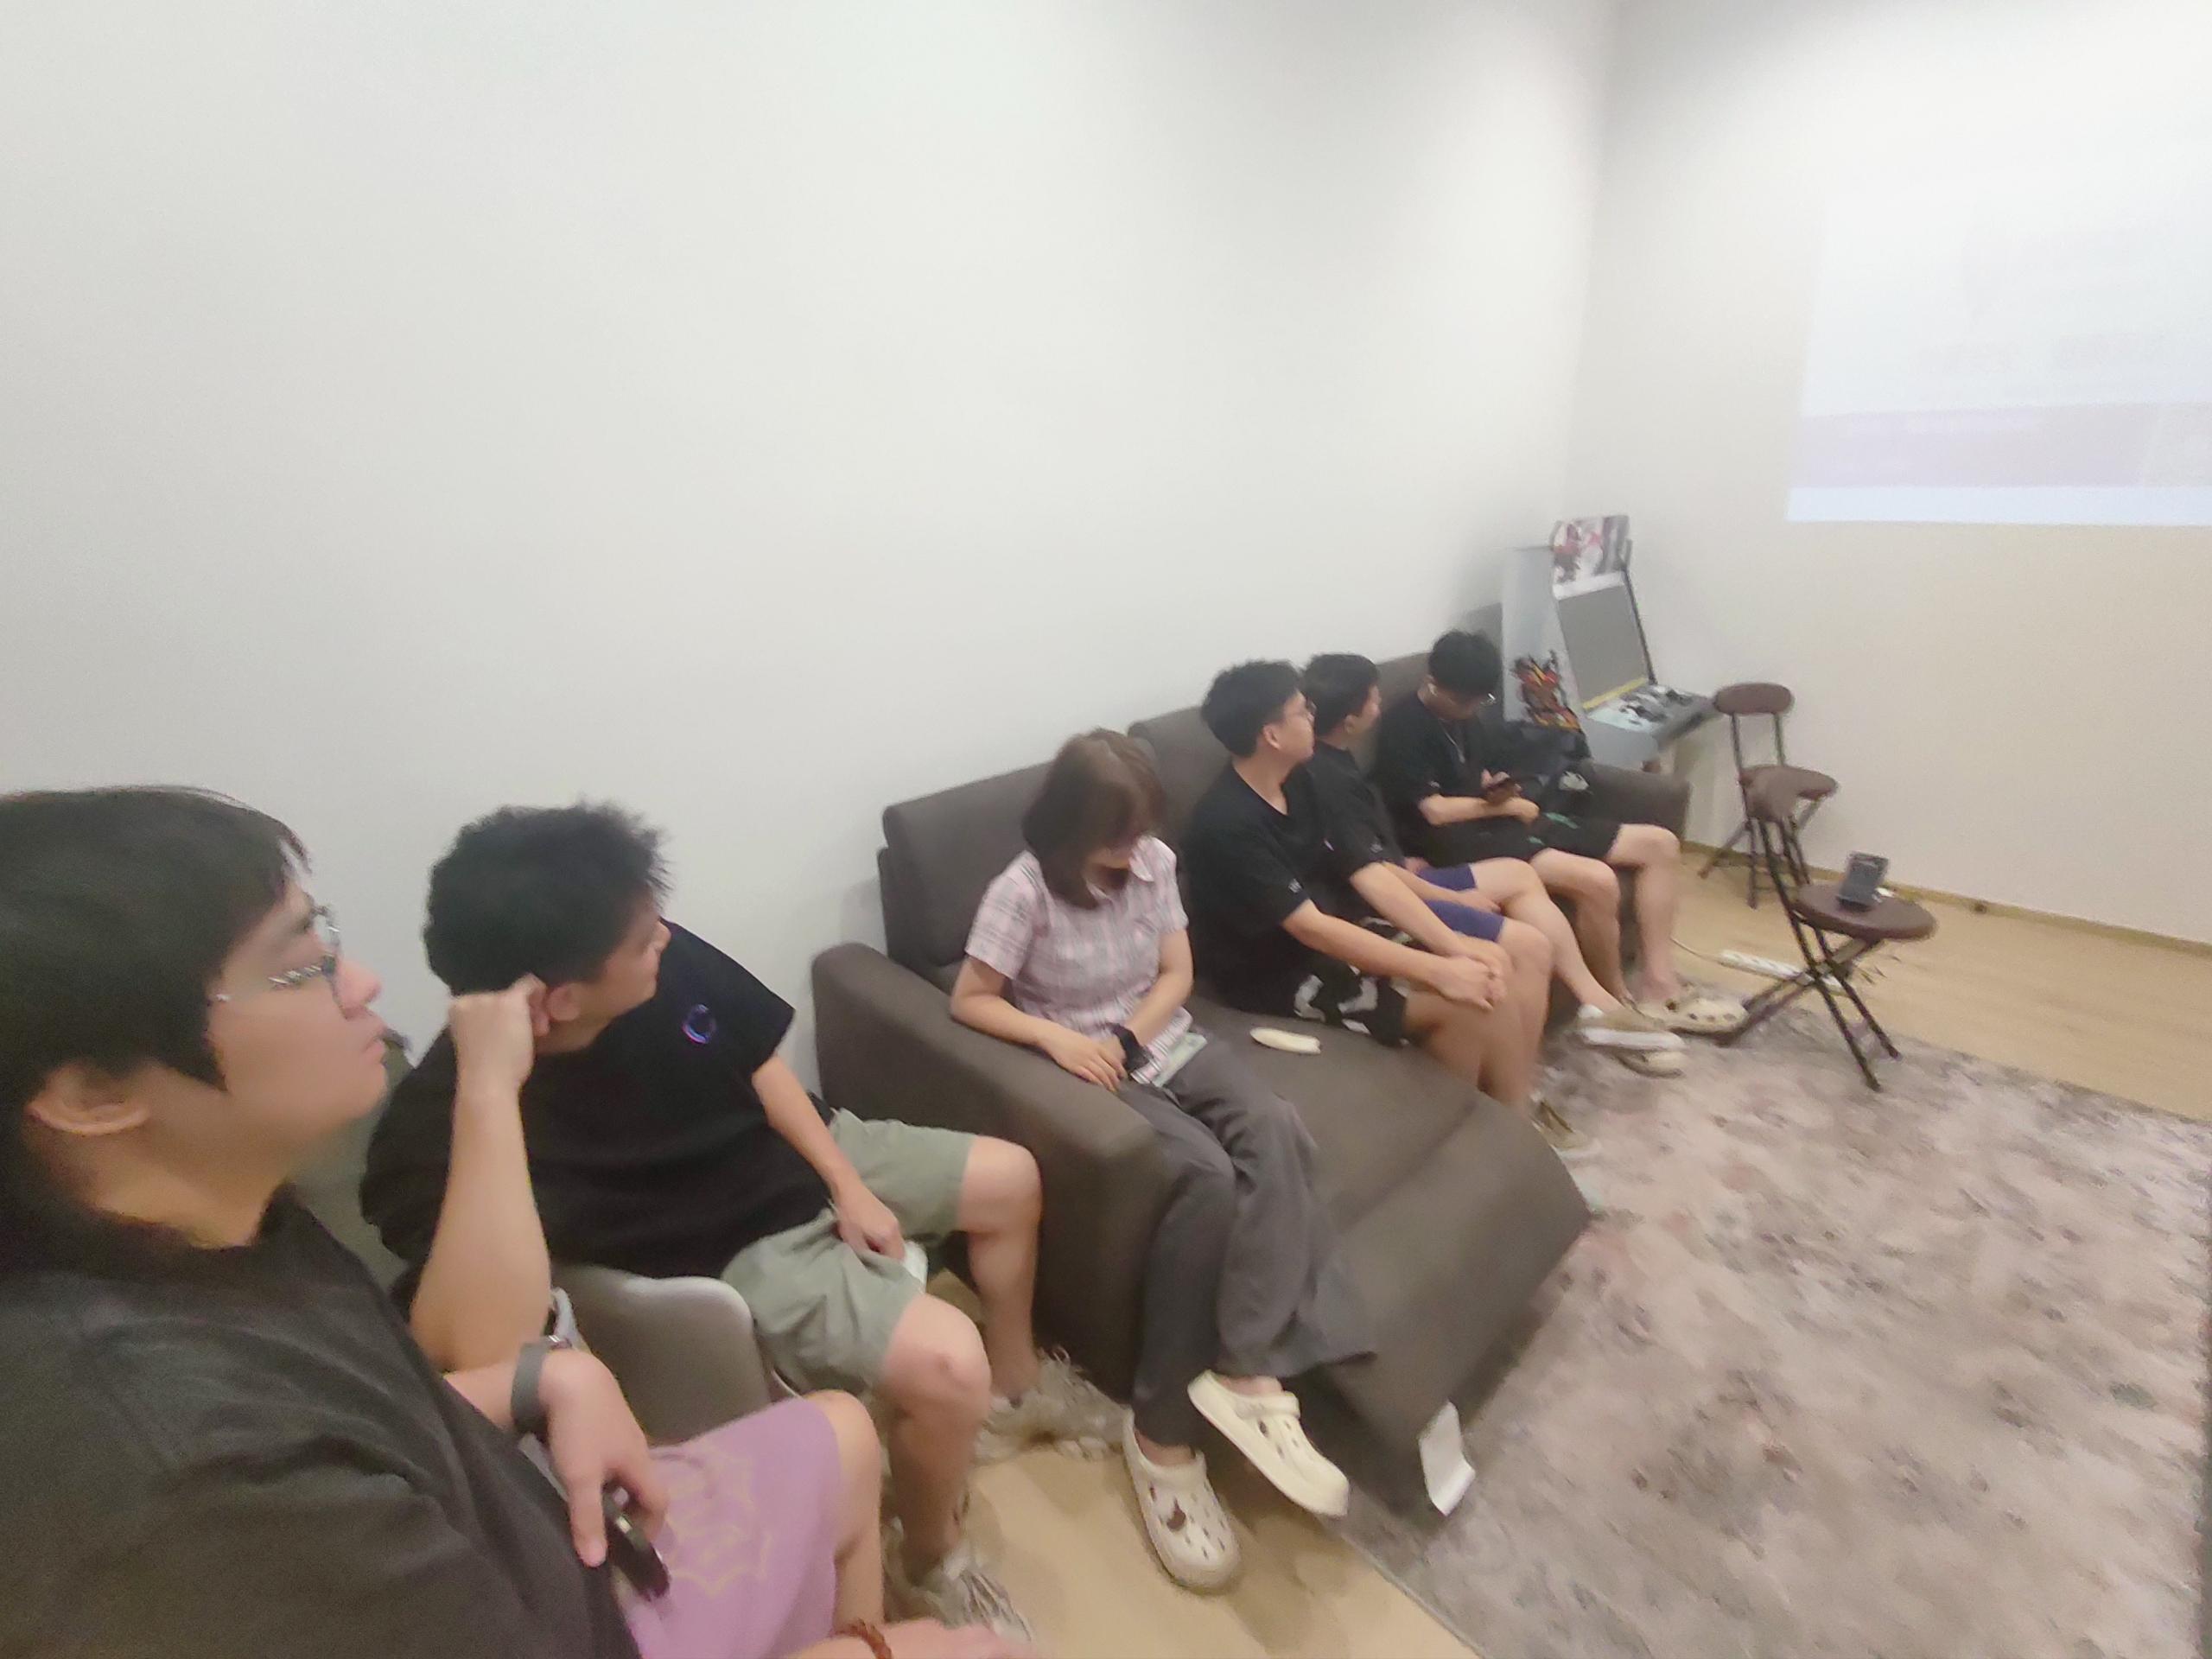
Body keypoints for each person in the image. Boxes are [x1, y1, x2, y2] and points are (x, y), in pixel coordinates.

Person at [0, 785, 1009, 1659]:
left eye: (329, 939)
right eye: (301, 965)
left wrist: (541, 1378)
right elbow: (473, 1343)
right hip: (572, 1613)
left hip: (540, 1522)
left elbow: (424, 1390)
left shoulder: (230, 1234)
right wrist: (874, 1652)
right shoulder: (180, 1481)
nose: (365, 984)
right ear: (91, 1093)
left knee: (845, 1433)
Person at [363, 804, 1111, 1644]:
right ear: (560, 999)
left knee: (1012, 1179)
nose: (665, 938)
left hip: (799, 1152)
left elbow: (755, 1061)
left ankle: (1019, 1388)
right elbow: (480, 1348)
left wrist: (845, 1183)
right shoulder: (446, 1124)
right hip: (726, 1243)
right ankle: (932, 1555)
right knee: (947, 1364)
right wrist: (491, 1092)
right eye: (643, 939)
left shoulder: (659, 953)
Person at [949, 732, 1375, 1591]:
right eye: (1118, 834)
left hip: (1154, 1039)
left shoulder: (1153, 863)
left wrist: (1131, 1033)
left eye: (1142, 828)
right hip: (1084, 1065)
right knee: (1206, 1178)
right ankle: (1161, 1438)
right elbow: (970, 999)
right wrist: (1059, 1040)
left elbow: (1177, 970)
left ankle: (1246, 1374)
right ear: (1072, 824)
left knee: (1277, 1129)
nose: (1134, 848)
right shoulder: (1022, 890)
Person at [1179, 660, 1586, 1154]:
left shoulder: (1300, 779)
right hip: (1278, 975)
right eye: (1302, 711)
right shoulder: (1228, 824)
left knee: (1488, 965)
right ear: (1272, 735)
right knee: (1464, 1003)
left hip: (1337, 928)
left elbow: (1365, 871)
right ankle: (1464, 1144)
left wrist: (1455, 948)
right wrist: (1438, 970)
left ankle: (1515, 1127)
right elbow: (1310, 928)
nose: (1313, 718)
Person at [1300, 652, 1684, 1078]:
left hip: (1407, 868)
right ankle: (1568, 1032)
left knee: (1521, 875)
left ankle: (1599, 1003)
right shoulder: (1330, 773)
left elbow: (1365, 850)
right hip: (1401, 885)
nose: (1380, 703)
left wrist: (1491, 792)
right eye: (1373, 698)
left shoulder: (1339, 759)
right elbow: (1371, 868)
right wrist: (1447, 893)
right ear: (1349, 719)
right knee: (1533, 939)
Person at [1369, 631, 1740, 1036]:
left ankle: (1659, 982)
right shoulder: (1404, 727)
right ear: (1432, 681)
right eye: (1463, 702)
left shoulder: (1466, 716)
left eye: (1480, 701)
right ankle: (1614, 1002)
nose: (1471, 709)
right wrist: (1506, 806)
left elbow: (1475, 773)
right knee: (1597, 880)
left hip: (1499, 820)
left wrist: (1499, 787)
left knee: (1659, 844)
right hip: (1456, 841)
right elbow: (1435, 810)